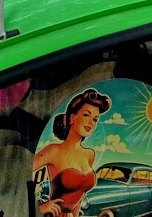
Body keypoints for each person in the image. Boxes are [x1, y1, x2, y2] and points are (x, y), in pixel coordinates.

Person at [33, 87, 111, 217]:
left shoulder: (89, 155)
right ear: (72, 118)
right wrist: (41, 206)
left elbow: (80, 195)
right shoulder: (54, 151)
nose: (90, 123)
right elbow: (22, 174)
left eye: (95, 119)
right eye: (86, 115)